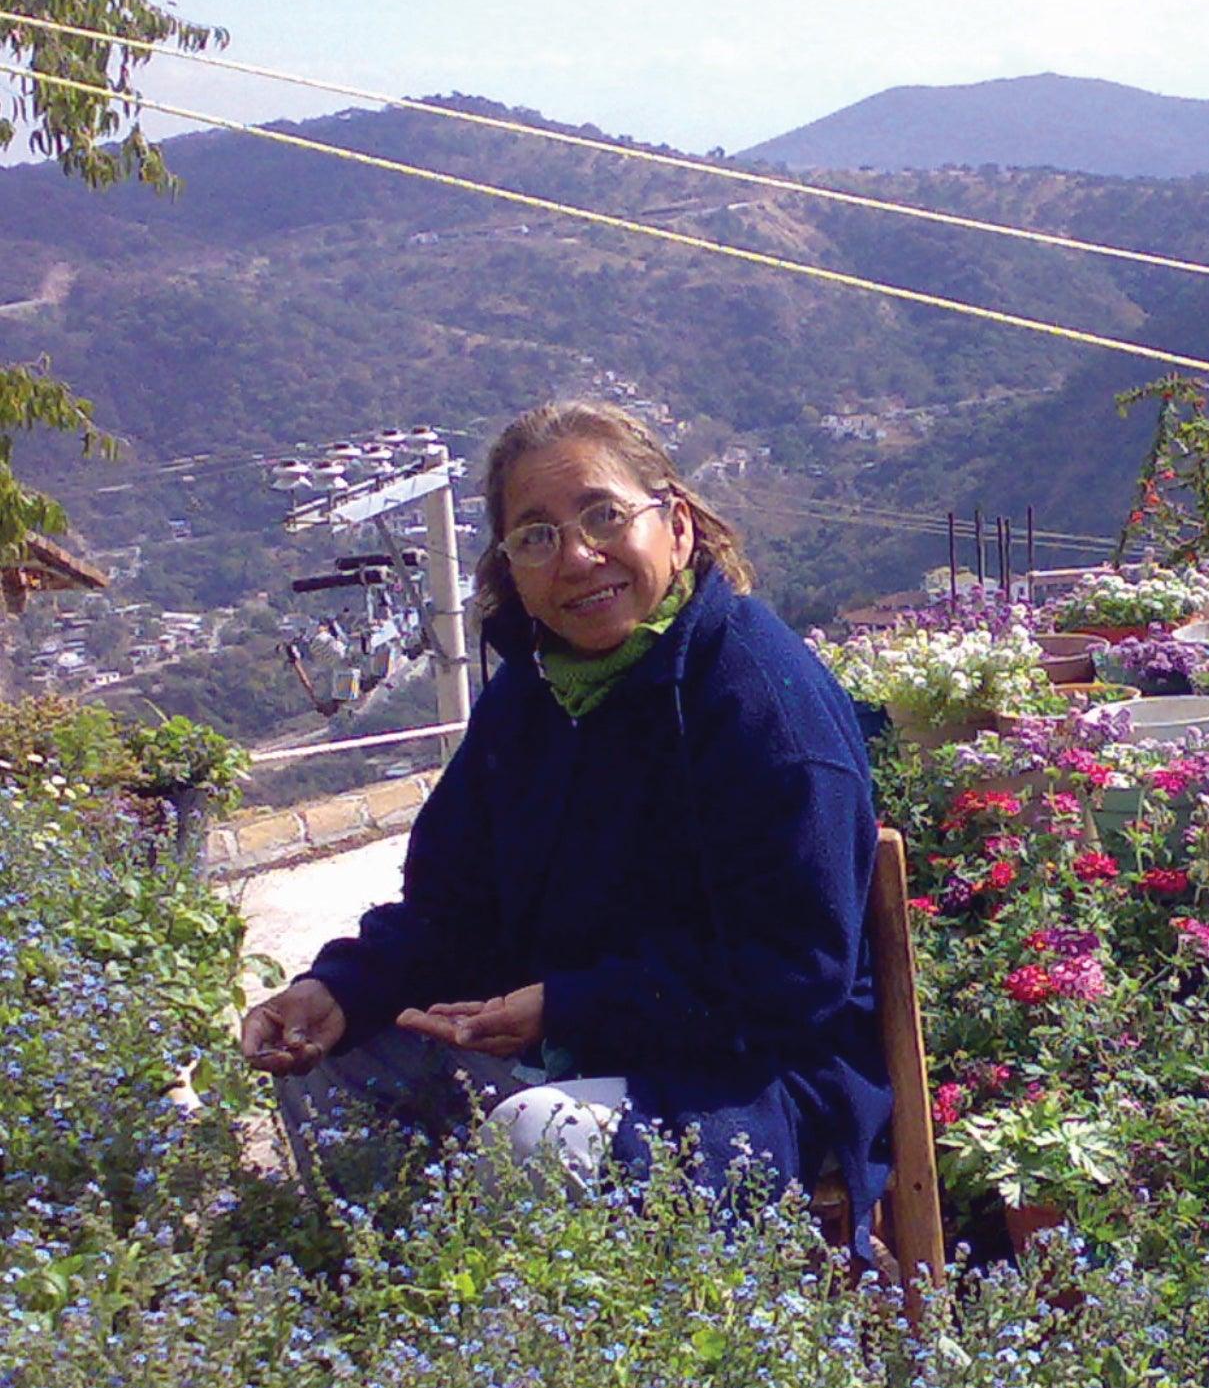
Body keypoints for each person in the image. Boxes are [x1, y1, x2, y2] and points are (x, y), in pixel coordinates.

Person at [241, 401, 893, 1244]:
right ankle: (396, 1312)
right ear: (511, 567)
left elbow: (795, 970)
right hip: (579, 1045)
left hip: (756, 1077)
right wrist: (342, 988)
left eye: (604, 515)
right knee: (331, 1060)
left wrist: (570, 1006)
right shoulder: (536, 694)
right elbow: (452, 908)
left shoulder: (760, 702)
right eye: (538, 536)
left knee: (537, 1141)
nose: (579, 555)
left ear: (678, 528)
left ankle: (538, 1353)